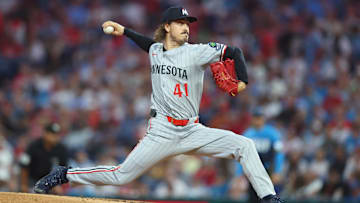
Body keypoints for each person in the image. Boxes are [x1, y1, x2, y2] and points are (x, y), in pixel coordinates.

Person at [34, 7, 283, 202]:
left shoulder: (197, 51)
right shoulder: (155, 50)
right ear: (167, 26)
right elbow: (147, 44)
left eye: (188, 24)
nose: (186, 27)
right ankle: (64, 174)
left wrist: (243, 82)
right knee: (121, 176)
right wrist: (124, 31)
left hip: (193, 130)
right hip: (162, 131)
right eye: (180, 23)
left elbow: (235, 51)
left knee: (245, 145)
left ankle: (269, 198)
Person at [235, 109, 285, 202]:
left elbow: (279, 153)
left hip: (268, 170)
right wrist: (239, 174)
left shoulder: (272, 133)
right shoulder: (248, 134)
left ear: (263, 119)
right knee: (253, 198)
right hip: (252, 172)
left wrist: (277, 171)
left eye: (259, 118)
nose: (257, 120)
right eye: (255, 118)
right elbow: (240, 154)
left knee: (270, 197)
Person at [20, 122, 68, 193]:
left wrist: (58, 185)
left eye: (56, 134)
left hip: (50, 183)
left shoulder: (61, 149)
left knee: (58, 192)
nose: (54, 137)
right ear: (45, 133)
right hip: (32, 181)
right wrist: (24, 185)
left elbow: (63, 170)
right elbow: (24, 165)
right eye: (52, 134)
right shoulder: (33, 146)